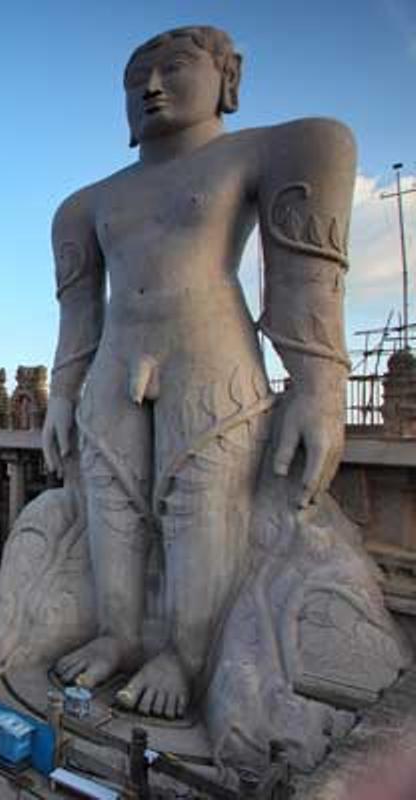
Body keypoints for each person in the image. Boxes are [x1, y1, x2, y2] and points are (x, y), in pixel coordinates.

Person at [43, 26, 354, 719]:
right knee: (111, 502)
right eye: (136, 80)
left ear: (228, 77)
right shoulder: (85, 205)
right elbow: (78, 315)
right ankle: (118, 634)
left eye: (174, 68)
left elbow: (304, 277)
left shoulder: (268, 151)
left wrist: (319, 387)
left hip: (209, 352)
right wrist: (61, 394)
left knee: (204, 504)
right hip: (116, 358)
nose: (152, 87)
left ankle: (187, 656)